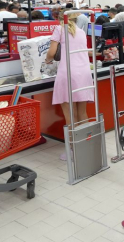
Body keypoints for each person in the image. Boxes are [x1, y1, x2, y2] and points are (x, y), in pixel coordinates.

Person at [45, 10, 94, 161]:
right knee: (82, 113)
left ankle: (73, 150)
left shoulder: (59, 29)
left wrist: (47, 60)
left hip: (67, 74)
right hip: (84, 73)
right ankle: (85, 147)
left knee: (70, 116)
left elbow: (52, 52)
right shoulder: (81, 32)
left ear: (59, 19)